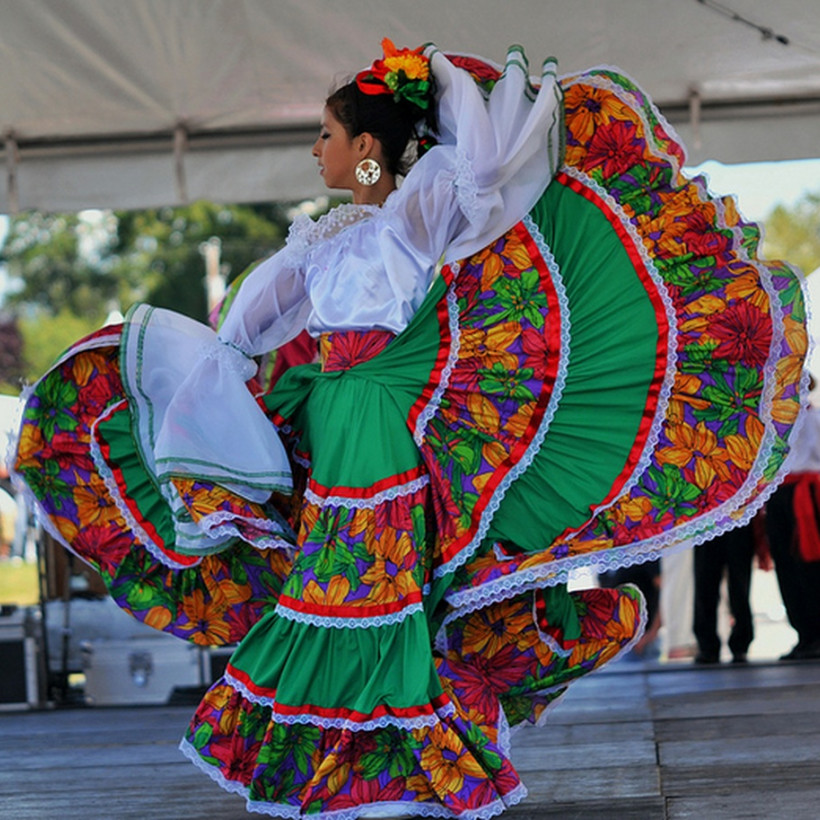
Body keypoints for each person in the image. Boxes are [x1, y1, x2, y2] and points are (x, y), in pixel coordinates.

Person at [8, 40, 808, 819]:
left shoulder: (411, 219)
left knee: (369, 589)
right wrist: (193, 394)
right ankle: (389, 765)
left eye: (326, 134)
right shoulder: (319, 238)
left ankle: (408, 760)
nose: (313, 150)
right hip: (329, 420)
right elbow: (242, 330)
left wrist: (431, 78)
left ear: (364, 146)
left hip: (383, 426)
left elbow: (484, 166)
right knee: (357, 588)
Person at [765, 383, 820, 661]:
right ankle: (804, 634)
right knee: (786, 565)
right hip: (779, 494)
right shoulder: (773, 421)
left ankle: (815, 634)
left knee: (809, 565)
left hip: (805, 493)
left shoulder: (814, 417)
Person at [692, 523, 756, 664]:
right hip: (708, 519)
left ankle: (740, 644)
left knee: (739, 585)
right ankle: (708, 646)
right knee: (705, 582)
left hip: (737, 516)